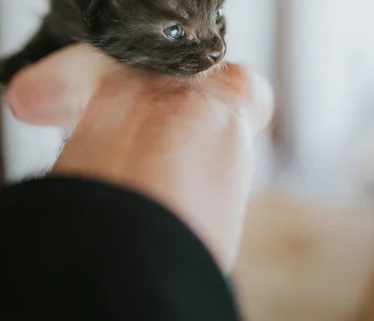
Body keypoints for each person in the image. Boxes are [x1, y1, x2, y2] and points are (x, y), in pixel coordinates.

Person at [0, 44, 273, 320]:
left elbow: (22, 100)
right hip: (162, 259)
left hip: (48, 216)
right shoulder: (233, 80)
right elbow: (264, 108)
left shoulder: (101, 62)